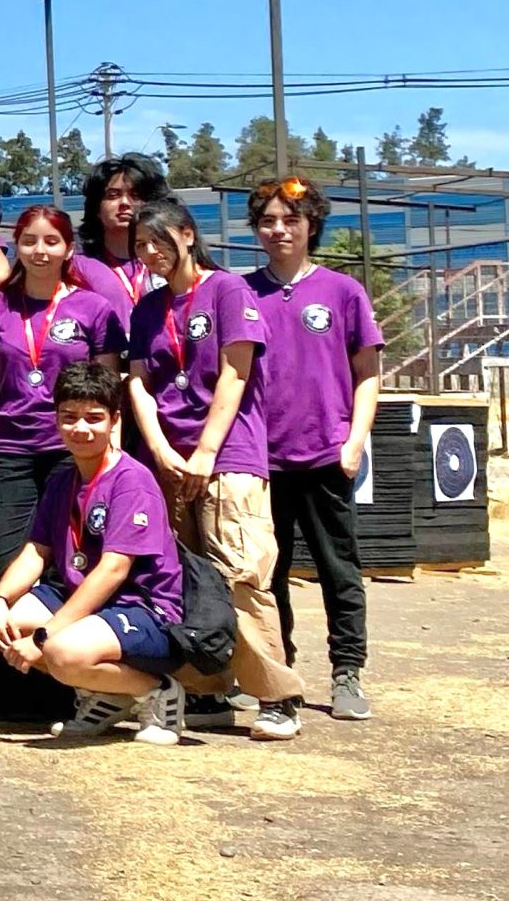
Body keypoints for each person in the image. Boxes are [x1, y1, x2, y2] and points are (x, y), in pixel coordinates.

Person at [126, 199, 305, 739]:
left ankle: (277, 696)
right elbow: (138, 381)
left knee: (240, 572)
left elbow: (235, 373)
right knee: (184, 579)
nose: (151, 252)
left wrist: (205, 451)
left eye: (160, 239)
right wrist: (159, 448)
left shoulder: (228, 290)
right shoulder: (147, 308)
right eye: (140, 245)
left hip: (228, 457)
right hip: (171, 462)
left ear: (186, 234)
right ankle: (207, 689)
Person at [0, 205, 126, 723]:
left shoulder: (93, 308)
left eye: (50, 241)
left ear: (67, 248)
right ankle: (10, 687)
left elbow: (108, 389)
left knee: (63, 568)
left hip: (70, 453)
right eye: (29, 240)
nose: (39, 250)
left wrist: (110, 455)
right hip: (9, 450)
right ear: (16, 244)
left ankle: (63, 689)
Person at [0, 363, 189, 745]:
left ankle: (157, 691)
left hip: (141, 607)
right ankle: (105, 694)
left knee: (59, 652)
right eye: (69, 418)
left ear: (114, 421)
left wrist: (42, 637)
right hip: (80, 596)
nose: (81, 429)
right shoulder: (63, 479)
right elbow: (36, 552)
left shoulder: (131, 480)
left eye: (94, 418)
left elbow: (113, 570)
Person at [245, 175, 381, 722]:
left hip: (327, 457)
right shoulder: (239, 291)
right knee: (265, 576)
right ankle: (282, 675)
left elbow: (369, 375)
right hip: (260, 462)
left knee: (338, 570)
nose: (279, 230)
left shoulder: (343, 291)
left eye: (290, 220)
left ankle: (348, 671)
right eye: (268, 221)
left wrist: (353, 443)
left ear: (311, 227)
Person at [76, 154, 172, 314]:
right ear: (96, 208)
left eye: (135, 196)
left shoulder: (171, 260)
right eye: (113, 195)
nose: (125, 203)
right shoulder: (76, 266)